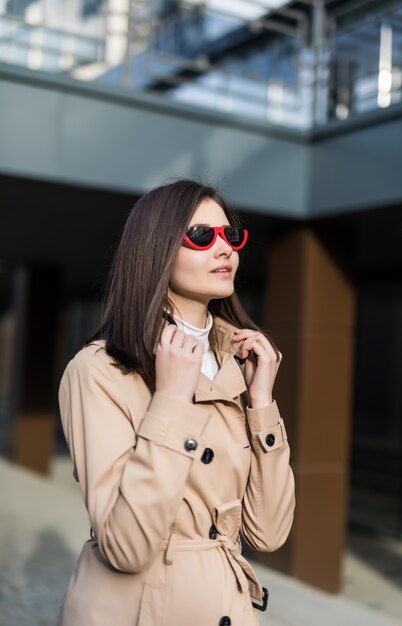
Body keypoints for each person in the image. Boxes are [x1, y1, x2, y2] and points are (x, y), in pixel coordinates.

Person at [58, 178, 295, 626]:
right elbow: (125, 547)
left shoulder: (236, 367)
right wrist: (169, 401)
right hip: (138, 610)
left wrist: (261, 402)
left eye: (231, 235)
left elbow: (268, 533)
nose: (224, 248)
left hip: (226, 604)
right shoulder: (99, 371)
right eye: (202, 236)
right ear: (155, 249)